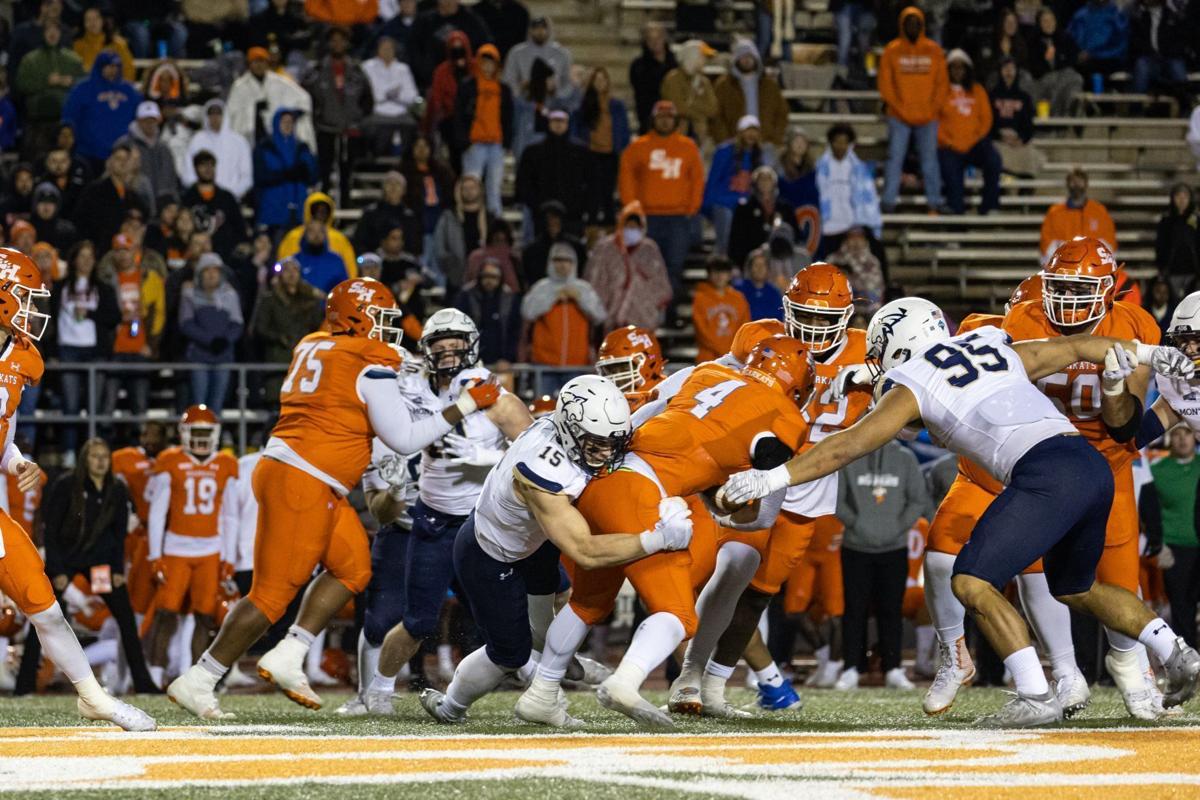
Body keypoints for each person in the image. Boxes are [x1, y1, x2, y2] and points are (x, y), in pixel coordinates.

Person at [719, 296, 1200, 726]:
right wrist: (1147, 353)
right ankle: (1174, 649)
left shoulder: (912, 381)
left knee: (970, 581)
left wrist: (772, 477)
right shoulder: (993, 343)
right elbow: (1077, 347)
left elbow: (847, 446)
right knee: (1076, 587)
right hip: (1090, 466)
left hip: (1043, 472)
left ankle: (1035, 693)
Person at [168, 278, 501, 719]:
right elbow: (404, 438)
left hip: (305, 474)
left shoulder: (313, 342)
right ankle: (201, 678)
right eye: (381, 319)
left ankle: (289, 654)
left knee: (353, 566)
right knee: (269, 596)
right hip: (303, 478)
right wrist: (464, 405)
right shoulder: (369, 358)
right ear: (357, 317)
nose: (388, 330)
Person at [518, 337, 809, 728]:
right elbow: (764, 510)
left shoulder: (709, 372)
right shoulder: (787, 416)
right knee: (679, 614)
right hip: (643, 492)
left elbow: (648, 414)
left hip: (604, 477)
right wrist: (722, 507)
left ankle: (541, 692)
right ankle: (625, 681)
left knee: (588, 602)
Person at [0, 247, 155, 729]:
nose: (33, 309)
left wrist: (17, 460)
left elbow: (4, 430)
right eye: (24, 297)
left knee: (42, 603)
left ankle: (93, 697)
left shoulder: (22, 357)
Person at [353, 310, 534, 714]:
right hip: (432, 518)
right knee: (417, 620)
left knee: (503, 614)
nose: (449, 354)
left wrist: (485, 457)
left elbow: (533, 445)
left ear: (472, 347)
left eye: (456, 345)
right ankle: (378, 692)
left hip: (484, 522)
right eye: (440, 346)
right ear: (426, 351)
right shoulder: (409, 386)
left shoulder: (488, 389)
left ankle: (541, 678)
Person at [37, 437, 159, 694]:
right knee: (43, 615)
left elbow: (118, 535)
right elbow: (50, 531)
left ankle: (144, 683)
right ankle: (25, 684)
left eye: (105, 456)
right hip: (67, 561)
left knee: (126, 619)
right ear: (85, 459)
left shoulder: (116, 489)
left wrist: (116, 571)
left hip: (100, 565)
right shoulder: (66, 485)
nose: (101, 461)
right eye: (95, 456)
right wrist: (57, 570)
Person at [145, 407, 239, 685]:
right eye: (195, 432)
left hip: (210, 549)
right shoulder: (170, 460)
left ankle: (199, 679)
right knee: (166, 613)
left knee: (204, 617)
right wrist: (155, 554)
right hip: (176, 548)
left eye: (204, 432)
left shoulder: (225, 464)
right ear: (184, 434)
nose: (200, 438)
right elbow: (157, 512)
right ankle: (154, 675)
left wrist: (230, 556)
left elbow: (231, 514)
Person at [833, 440, 930, 690]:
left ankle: (894, 668)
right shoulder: (850, 456)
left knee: (892, 610)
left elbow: (918, 499)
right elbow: (836, 499)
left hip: (894, 547)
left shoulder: (906, 458)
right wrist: (856, 524)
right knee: (854, 610)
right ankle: (851, 668)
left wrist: (897, 527)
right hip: (855, 547)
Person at [618, 101, 704, 304]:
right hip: (647, 217)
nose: (665, 121)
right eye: (661, 117)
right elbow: (626, 177)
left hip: (678, 217)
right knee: (645, 266)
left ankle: (669, 312)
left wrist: (691, 208)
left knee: (674, 266)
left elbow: (697, 179)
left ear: (675, 121)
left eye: (669, 117)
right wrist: (633, 209)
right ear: (653, 120)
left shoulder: (687, 147)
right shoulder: (638, 146)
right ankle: (646, 312)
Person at [51, 241, 118, 455]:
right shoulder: (60, 286)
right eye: (82, 256)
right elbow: (51, 320)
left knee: (94, 407)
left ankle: (91, 454)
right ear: (74, 260)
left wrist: (89, 314)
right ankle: (69, 452)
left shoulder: (103, 287)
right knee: (70, 406)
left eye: (91, 256)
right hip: (68, 349)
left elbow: (114, 317)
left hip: (95, 351)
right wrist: (52, 351)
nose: (87, 260)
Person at [878, 7, 947, 213]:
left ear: (922, 25)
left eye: (916, 23)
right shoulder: (892, 50)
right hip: (899, 116)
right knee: (894, 159)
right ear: (902, 25)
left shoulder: (934, 50)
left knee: (929, 161)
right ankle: (888, 202)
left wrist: (931, 109)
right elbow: (885, 85)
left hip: (928, 117)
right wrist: (901, 109)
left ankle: (934, 203)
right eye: (909, 23)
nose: (913, 26)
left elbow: (942, 85)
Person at [522, 243, 608, 390]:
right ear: (550, 262)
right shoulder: (541, 287)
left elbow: (600, 315)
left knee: (575, 409)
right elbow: (527, 312)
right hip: (544, 363)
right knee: (543, 409)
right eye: (558, 260)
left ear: (573, 264)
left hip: (577, 365)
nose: (562, 265)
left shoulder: (584, 288)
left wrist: (580, 298)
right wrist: (553, 297)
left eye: (567, 261)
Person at [1144, 425, 1200, 649]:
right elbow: (1147, 510)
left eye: (1186, 433)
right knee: (1181, 608)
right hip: (1175, 548)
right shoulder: (1158, 471)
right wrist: (1158, 545)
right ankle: (1189, 662)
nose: (1182, 439)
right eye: (1176, 434)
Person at [101, 234, 164, 419]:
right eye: (118, 251)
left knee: (140, 406)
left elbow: (159, 313)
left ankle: (138, 445)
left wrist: (152, 345)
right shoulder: (106, 280)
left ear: (135, 252)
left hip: (140, 350)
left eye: (126, 250)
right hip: (115, 350)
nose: (122, 255)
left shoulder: (149, 278)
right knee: (108, 406)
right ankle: (105, 444)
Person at [583, 201, 672, 331]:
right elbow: (594, 280)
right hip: (609, 318)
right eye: (628, 226)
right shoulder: (604, 248)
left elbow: (660, 282)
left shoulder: (650, 249)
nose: (631, 230)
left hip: (642, 318)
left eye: (635, 227)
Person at [303, 27, 372, 190]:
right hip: (325, 128)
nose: (337, 44)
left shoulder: (357, 70)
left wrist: (358, 118)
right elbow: (306, 96)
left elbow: (368, 98)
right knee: (325, 173)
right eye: (334, 40)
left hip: (350, 129)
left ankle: (346, 205)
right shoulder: (317, 70)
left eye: (341, 40)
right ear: (328, 44)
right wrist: (317, 118)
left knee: (347, 174)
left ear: (347, 44)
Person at [937, 50, 1002, 216]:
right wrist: (948, 142)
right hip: (949, 146)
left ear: (967, 70)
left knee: (993, 160)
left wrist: (974, 138)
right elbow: (934, 121)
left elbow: (986, 119)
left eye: (961, 67)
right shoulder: (940, 91)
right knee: (951, 172)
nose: (958, 71)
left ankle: (989, 205)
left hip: (974, 144)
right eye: (954, 67)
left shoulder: (977, 90)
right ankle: (956, 217)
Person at [253, 257, 323, 403]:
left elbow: (319, 326)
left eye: (295, 270)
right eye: (286, 270)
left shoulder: (310, 300)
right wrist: (279, 338)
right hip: (277, 361)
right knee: (277, 404)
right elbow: (260, 328)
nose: (291, 274)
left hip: (305, 361)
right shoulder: (270, 300)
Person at [179, 255, 244, 412]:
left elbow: (237, 323)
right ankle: (197, 434)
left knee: (217, 404)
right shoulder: (190, 294)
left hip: (223, 356)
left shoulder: (230, 295)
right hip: (199, 357)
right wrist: (209, 340)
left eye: (215, 270)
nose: (211, 274)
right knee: (198, 403)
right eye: (207, 270)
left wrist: (225, 340)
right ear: (200, 274)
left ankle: (215, 436)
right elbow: (186, 323)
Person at [455, 44, 513, 218]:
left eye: (491, 62)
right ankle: (470, 220)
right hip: (474, 144)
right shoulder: (468, 86)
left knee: (494, 188)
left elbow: (509, 118)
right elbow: (459, 114)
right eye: (484, 62)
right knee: (471, 186)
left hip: (496, 144)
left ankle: (495, 224)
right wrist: (464, 141)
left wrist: (506, 142)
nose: (487, 66)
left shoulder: (504, 89)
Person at [60, 51, 142, 170]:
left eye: (116, 66)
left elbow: (139, 117)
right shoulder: (82, 89)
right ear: (100, 66)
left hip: (122, 155)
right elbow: (69, 117)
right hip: (88, 153)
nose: (113, 70)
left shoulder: (130, 91)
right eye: (109, 66)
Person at [571, 68, 630, 229]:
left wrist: (621, 146)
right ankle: (592, 230)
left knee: (608, 193)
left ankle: (611, 229)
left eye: (603, 80)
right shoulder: (582, 106)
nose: (600, 83)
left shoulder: (617, 106)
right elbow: (576, 129)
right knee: (592, 194)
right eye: (596, 80)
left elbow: (624, 129)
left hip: (611, 154)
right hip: (590, 154)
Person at [226, 47, 317, 151]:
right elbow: (231, 113)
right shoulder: (240, 86)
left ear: (267, 63)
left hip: (275, 136)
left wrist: (293, 114)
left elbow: (303, 98)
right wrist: (252, 109)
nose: (259, 65)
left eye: (262, 61)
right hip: (250, 137)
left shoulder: (279, 81)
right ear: (249, 64)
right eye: (255, 62)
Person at [815, 124, 883, 262]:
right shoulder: (820, 169)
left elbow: (868, 198)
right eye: (837, 142)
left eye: (844, 142)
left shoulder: (858, 169)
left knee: (877, 252)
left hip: (852, 224)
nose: (840, 146)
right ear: (830, 143)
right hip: (828, 226)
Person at [15, 22, 83, 160]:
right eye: (48, 30)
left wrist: (72, 82)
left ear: (60, 33)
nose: (52, 34)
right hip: (38, 123)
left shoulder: (73, 59)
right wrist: (46, 82)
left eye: (55, 30)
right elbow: (22, 84)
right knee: (37, 160)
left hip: (66, 124)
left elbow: (84, 84)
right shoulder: (30, 59)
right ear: (43, 33)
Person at [515, 109, 590, 234]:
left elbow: (590, 182)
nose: (558, 124)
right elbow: (524, 183)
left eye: (562, 121)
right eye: (555, 120)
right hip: (541, 216)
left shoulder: (581, 152)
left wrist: (580, 206)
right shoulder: (532, 151)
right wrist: (537, 206)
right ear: (548, 123)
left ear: (568, 123)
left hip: (573, 216)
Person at [710, 40, 789, 152]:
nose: (747, 60)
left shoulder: (770, 86)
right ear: (736, 59)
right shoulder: (723, 85)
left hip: (765, 144)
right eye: (742, 56)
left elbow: (782, 113)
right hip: (734, 145)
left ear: (756, 59)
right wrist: (725, 141)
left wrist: (775, 139)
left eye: (750, 56)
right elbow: (716, 115)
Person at [73, 144, 150, 257]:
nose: (123, 163)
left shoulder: (135, 198)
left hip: (127, 255)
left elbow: (144, 220)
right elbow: (80, 222)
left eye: (126, 159)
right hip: (100, 253)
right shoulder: (93, 191)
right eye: (118, 159)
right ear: (110, 162)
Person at [705, 116, 766, 256]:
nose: (751, 135)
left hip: (747, 205)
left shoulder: (760, 155)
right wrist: (708, 207)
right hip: (724, 203)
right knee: (726, 223)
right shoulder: (725, 151)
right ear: (740, 132)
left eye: (754, 131)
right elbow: (713, 181)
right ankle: (723, 260)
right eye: (748, 130)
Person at [253, 109, 319, 233]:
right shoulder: (264, 147)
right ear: (276, 123)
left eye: (290, 122)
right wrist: (287, 174)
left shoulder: (302, 147)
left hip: (299, 208)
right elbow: (261, 176)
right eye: (284, 122)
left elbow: (313, 175)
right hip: (273, 209)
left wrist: (303, 170)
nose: (288, 125)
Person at [181, 150, 248, 265]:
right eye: (203, 165)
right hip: (195, 257)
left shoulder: (227, 197)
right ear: (195, 168)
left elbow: (239, 226)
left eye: (211, 165)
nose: (208, 169)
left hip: (225, 257)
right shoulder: (187, 198)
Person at [408, 0, 492, 89]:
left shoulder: (472, 20)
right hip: (431, 82)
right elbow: (413, 51)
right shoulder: (424, 21)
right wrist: (427, 74)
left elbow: (485, 47)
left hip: (468, 83)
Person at [729, 166, 799, 271]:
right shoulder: (744, 208)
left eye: (768, 178)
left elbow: (795, 233)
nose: (765, 182)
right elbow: (736, 238)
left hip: (781, 260)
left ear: (774, 183)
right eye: (762, 178)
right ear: (755, 183)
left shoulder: (785, 207)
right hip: (752, 260)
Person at [1039, 167, 1117, 262]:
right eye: (1073, 181)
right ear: (1068, 184)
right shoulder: (1054, 213)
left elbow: (1109, 242)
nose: (1076, 185)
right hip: (1064, 267)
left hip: (1092, 266)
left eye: (1080, 181)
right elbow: (1046, 244)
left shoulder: (1099, 211)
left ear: (1086, 184)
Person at [433, 174, 494, 294]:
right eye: (465, 188)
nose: (469, 192)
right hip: (456, 278)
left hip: (484, 277)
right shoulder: (449, 216)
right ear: (459, 191)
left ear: (479, 190)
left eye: (472, 188)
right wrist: (451, 269)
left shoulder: (490, 217)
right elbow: (439, 247)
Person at [455, 259, 522, 366]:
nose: (489, 280)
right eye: (486, 276)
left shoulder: (509, 298)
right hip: (471, 361)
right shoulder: (466, 296)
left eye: (494, 277)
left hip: (502, 362)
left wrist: (507, 358)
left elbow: (514, 332)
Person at [275, 191, 357, 278]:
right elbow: (283, 266)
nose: (320, 213)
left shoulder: (339, 239)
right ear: (309, 210)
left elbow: (350, 270)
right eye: (317, 209)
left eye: (324, 210)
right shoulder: (293, 237)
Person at [362, 36, 420, 157]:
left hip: (401, 113)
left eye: (390, 48)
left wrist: (386, 94)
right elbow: (370, 94)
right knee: (372, 128)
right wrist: (390, 94)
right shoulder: (367, 67)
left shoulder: (403, 68)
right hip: (377, 111)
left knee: (412, 126)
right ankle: (375, 158)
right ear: (378, 49)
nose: (387, 51)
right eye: (384, 48)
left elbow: (411, 96)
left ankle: (404, 160)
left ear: (395, 50)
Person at [183, 100, 253, 201]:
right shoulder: (197, 140)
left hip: (231, 199)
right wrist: (201, 192)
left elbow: (246, 175)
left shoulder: (239, 142)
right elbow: (188, 171)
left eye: (218, 114)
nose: (215, 118)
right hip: (201, 198)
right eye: (211, 114)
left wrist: (232, 194)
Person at [115, 101, 179, 205]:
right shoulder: (124, 144)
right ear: (138, 121)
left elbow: (171, 179)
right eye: (146, 120)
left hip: (161, 205)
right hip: (133, 204)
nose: (150, 124)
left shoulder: (164, 148)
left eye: (153, 120)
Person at [990, 58, 1044, 178]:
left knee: (1029, 154)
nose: (1008, 72)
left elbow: (1029, 125)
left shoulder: (1024, 97)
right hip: (998, 140)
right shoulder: (992, 96)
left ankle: (1025, 189)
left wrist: (1021, 139)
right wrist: (1000, 136)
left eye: (1011, 69)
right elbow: (988, 123)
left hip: (1018, 140)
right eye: (1005, 69)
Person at [692, 256, 751, 363]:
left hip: (734, 357)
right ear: (709, 275)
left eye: (723, 272)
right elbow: (701, 331)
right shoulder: (700, 298)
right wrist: (722, 351)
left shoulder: (739, 298)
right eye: (715, 272)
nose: (719, 276)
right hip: (708, 358)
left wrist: (733, 351)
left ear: (729, 275)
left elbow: (744, 327)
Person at [658, 39, 718, 146]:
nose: (705, 61)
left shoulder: (704, 82)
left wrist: (691, 105)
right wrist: (700, 113)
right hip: (676, 137)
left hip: (700, 138)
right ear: (692, 57)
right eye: (702, 57)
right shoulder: (673, 79)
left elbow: (712, 109)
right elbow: (678, 107)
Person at [1027, 8, 1084, 117]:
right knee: (1060, 79)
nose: (1049, 24)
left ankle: (1073, 110)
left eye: (1051, 20)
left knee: (1075, 79)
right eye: (1045, 21)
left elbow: (1072, 59)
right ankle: (1062, 113)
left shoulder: (1065, 38)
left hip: (1063, 77)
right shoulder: (1032, 41)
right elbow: (1034, 66)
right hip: (1042, 80)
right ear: (1039, 23)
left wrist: (1059, 65)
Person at [353, 171, 421, 261]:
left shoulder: (409, 216)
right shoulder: (370, 214)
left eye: (397, 184)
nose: (393, 187)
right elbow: (360, 243)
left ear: (404, 190)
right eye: (389, 183)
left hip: (403, 261)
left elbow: (415, 247)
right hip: (374, 262)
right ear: (383, 188)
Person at [503, 16, 572, 101]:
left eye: (543, 27)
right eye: (536, 28)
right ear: (530, 30)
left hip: (553, 104)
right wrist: (521, 87)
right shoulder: (516, 53)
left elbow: (569, 84)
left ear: (549, 30)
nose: (540, 31)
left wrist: (555, 90)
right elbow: (507, 81)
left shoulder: (561, 53)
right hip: (524, 104)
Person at [521, 200, 587, 286]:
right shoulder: (531, 250)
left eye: (556, 217)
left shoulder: (577, 247)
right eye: (548, 218)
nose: (552, 222)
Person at [629, 22, 677, 135]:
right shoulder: (638, 66)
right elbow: (642, 95)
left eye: (658, 37)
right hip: (649, 122)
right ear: (645, 42)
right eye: (650, 39)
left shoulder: (675, 63)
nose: (655, 42)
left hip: (675, 120)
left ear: (664, 38)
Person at [1156, 183, 1200, 296]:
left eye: (1185, 197)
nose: (1182, 200)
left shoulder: (1196, 219)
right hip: (1172, 272)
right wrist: (1162, 268)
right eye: (1178, 197)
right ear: (1173, 198)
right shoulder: (1166, 221)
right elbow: (1160, 246)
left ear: (1190, 199)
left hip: (1194, 273)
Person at [1067, 0, 1129, 78]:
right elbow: (1069, 39)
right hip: (1080, 59)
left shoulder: (1117, 16)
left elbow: (1120, 46)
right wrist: (1077, 53)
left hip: (1108, 60)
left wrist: (1093, 54)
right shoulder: (1080, 15)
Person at [72, 6, 135, 80]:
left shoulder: (118, 44)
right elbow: (75, 72)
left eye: (96, 18)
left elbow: (128, 71)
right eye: (88, 19)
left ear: (103, 20)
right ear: (83, 23)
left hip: (114, 88)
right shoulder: (78, 45)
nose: (92, 22)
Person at [292, 223, 349, 294]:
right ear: (305, 235)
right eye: (312, 231)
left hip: (329, 304)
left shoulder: (336, 260)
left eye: (320, 231)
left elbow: (345, 288)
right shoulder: (295, 260)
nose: (316, 235)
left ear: (325, 235)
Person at [734, 248, 784, 319]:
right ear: (749, 268)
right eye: (756, 265)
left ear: (768, 269)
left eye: (763, 265)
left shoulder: (774, 293)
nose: (760, 268)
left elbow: (778, 320)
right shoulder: (738, 289)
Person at [30, 182, 77, 253]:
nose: (46, 206)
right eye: (42, 201)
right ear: (35, 205)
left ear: (57, 206)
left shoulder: (67, 230)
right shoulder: (28, 228)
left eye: (50, 202)